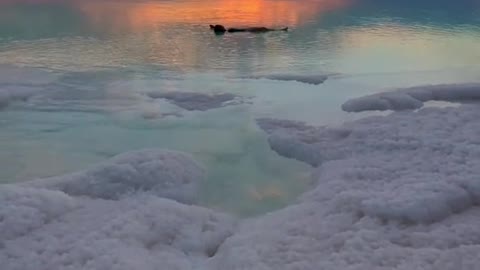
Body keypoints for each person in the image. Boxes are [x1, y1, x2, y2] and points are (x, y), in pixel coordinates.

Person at [209, 24, 288, 34]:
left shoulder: (228, 30)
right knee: (264, 29)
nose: (223, 26)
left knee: (265, 29)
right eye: (222, 26)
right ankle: (281, 30)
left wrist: (213, 28)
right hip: (249, 30)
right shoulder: (230, 30)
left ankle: (281, 30)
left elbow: (219, 29)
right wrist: (214, 28)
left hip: (248, 30)